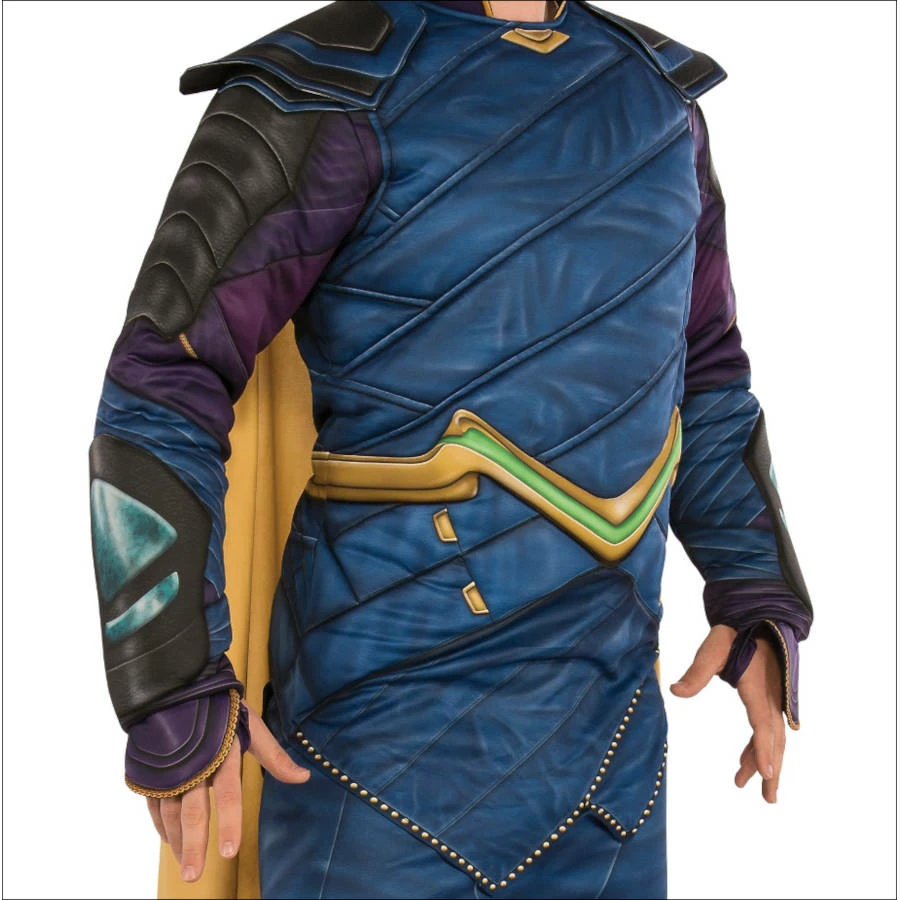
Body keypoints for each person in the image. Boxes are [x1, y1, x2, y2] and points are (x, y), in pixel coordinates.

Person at [87, 1, 814, 897]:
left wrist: (756, 589)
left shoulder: (660, 102)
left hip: (613, 769)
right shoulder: (320, 88)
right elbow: (164, 382)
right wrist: (173, 679)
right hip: (375, 765)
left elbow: (705, 374)